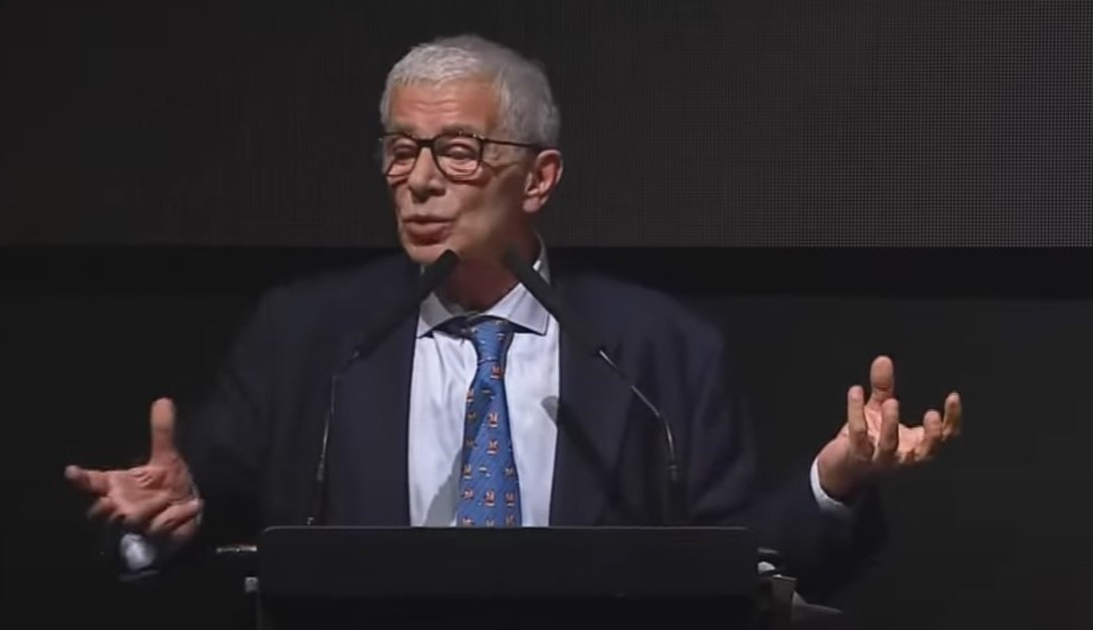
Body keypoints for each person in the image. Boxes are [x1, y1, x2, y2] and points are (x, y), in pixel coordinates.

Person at [65, 34, 962, 603]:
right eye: (401, 151)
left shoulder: (657, 348)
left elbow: (742, 565)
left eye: (457, 152)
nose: (420, 181)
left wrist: (835, 479)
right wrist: (152, 521)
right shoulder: (309, 337)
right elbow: (191, 511)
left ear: (539, 179)